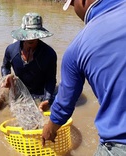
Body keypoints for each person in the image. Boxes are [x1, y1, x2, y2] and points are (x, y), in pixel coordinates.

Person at [41, 0, 126, 155]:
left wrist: (50, 128)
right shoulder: (12, 50)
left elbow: (64, 101)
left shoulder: (74, 48)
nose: (76, 12)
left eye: (73, 5)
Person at [1, 12, 57, 111]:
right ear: (22, 33)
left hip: (40, 94)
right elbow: (5, 67)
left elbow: (51, 79)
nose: (31, 38)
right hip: (20, 92)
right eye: (29, 35)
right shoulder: (11, 50)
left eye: (34, 35)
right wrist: (6, 77)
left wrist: (47, 99)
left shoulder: (49, 54)